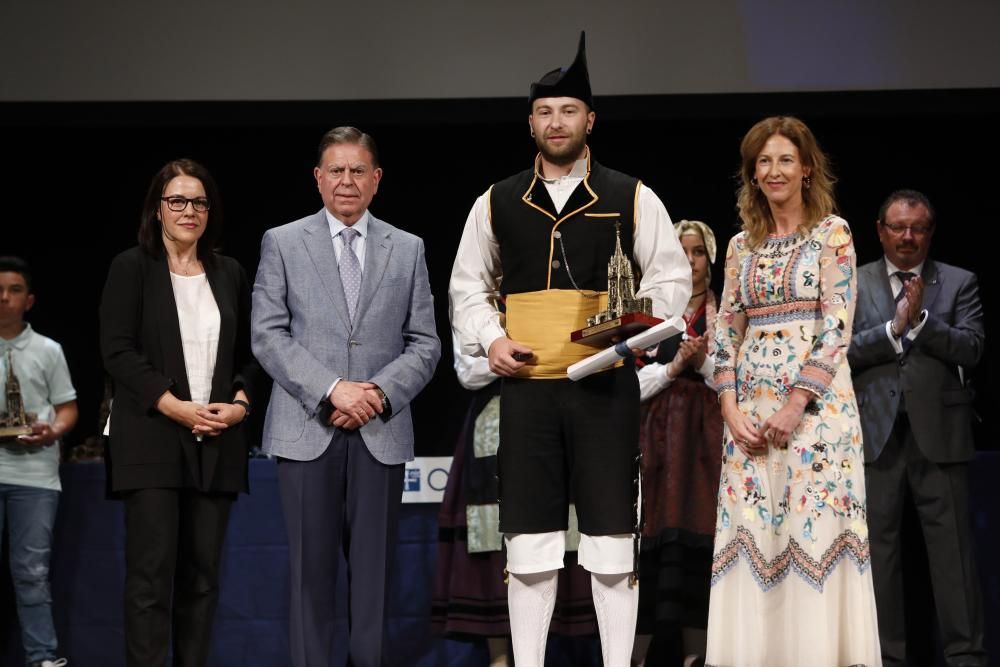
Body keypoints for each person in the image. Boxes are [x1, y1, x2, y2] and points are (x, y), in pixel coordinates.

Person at [449, 33, 690, 667]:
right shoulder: (496, 201)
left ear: (590, 120)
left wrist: (628, 336)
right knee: (528, 547)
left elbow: (670, 282)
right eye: (546, 112)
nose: (558, 122)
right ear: (530, 123)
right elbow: (466, 286)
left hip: (603, 391)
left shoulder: (629, 195)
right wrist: (493, 339)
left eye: (570, 111)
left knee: (612, 543)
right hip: (527, 395)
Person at [251, 126, 440, 667]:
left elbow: (425, 343)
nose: (347, 181)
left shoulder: (407, 248)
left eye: (358, 170)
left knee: (375, 580)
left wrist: (377, 394)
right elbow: (268, 333)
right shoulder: (283, 241)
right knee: (310, 579)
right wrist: (333, 389)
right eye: (336, 170)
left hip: (379, 431)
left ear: (376, 180)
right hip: (308, 428)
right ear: (318, 178)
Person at [707, 116, 880, 666]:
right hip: (749, 418)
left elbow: (837, 330)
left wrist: (796, 402)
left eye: (785, 159)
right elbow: (725, 331)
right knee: (755, 533)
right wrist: (729, 405)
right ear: (752, 174)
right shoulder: (739, 246)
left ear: (806, 169)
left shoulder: (834, 233)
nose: (774, 170)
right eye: (763, 161)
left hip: (817, 415)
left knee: (814, 531)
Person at [99, 159, 257, 666]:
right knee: (151, 577)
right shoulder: (131, 267)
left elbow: (253, 355)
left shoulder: (228, 271)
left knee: (203, 579)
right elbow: (117, 350)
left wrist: (239, 404)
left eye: (199, 202)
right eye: (177, 201)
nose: (189, 211)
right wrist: (174, 406)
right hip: (151, 438)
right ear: (158, 210)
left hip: (217, 440)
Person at [848, 189, 986, 666]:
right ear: (880, 230)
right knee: (878, 560)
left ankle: (966, 657)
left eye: (918, 228)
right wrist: (892, 329)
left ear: (930, 232)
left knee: (954, 562)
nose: (908, 236)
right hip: (873, 435)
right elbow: (838, 352)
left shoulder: (958, 281)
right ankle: (884, 658)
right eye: (898, 228)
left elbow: (972, 348)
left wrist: (921, 321)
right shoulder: (853, 280)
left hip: (940, 437)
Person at [430, 330, 598, 667]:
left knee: (554, 535)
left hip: (554, 413)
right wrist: (526, 356)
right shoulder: (481, 302)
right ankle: (500, 657)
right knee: (493, 542)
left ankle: (540, 652)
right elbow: (468, 372)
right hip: (495, 419)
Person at [631, 221, 722, 667]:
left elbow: (738, 379)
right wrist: (671, 369)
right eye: (682, 252)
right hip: (655, 438)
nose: (691, 261)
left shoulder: (725, 313)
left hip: (707, 443)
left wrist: (701, 362)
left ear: (711, 257)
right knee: (648, 542)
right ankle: (635, 655)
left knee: (702, 539)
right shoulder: (651, 314)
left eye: (699, 252)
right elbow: (628, 384)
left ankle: (696, 656)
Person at [0, 256, 77, 667]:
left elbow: (67, 408)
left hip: (34, 474)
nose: (4, 298)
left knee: (31, 572)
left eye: (13, 290)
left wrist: (54, 431)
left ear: (29, 300)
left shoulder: (49, 350)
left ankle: (42, 656)